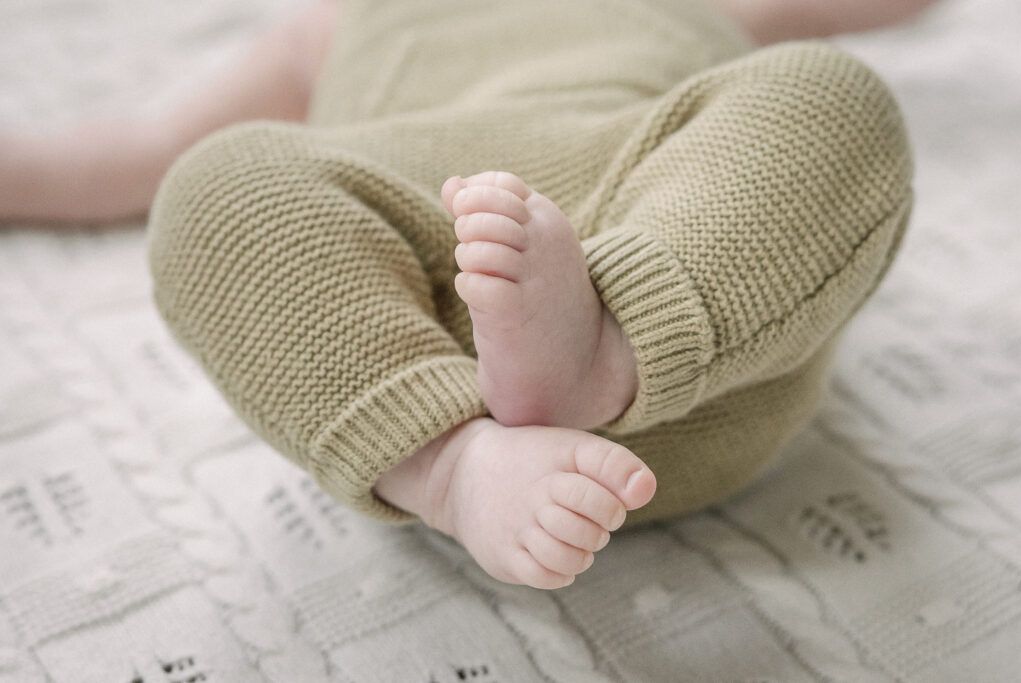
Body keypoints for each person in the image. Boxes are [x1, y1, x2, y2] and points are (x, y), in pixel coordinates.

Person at [0, 0, 936, 589]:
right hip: (414, 285)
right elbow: (128, 156)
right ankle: (451, 465)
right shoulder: (329, 22)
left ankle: (601, 349)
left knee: (827, 95)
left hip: (673, 283)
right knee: (213, 185)